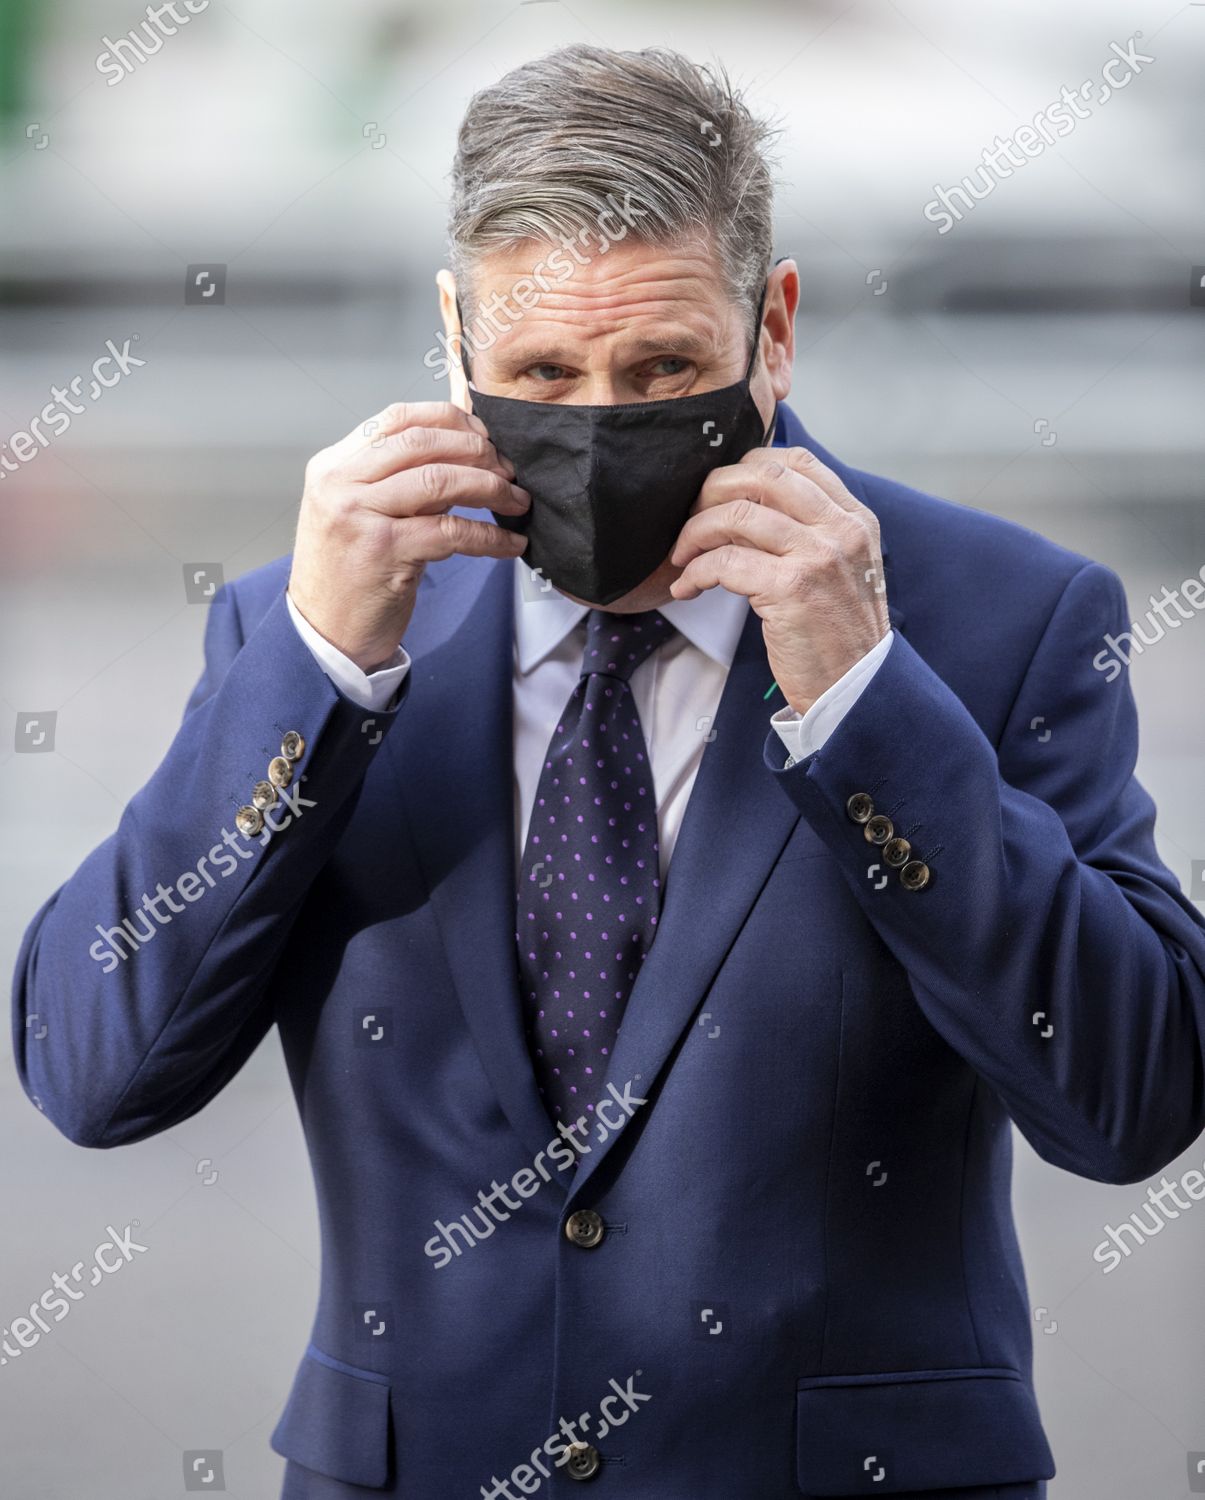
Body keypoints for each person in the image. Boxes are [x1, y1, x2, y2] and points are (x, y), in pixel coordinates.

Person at [13, 42, 1205, 1500]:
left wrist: (869, 700)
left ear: (771, 328)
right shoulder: (305, 621)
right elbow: (94, 1069)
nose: (597, 420)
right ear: (454, 342)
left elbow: (1131, 1094)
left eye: (661, 371)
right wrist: (315, 673)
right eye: (537, 374)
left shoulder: (1000, 613)